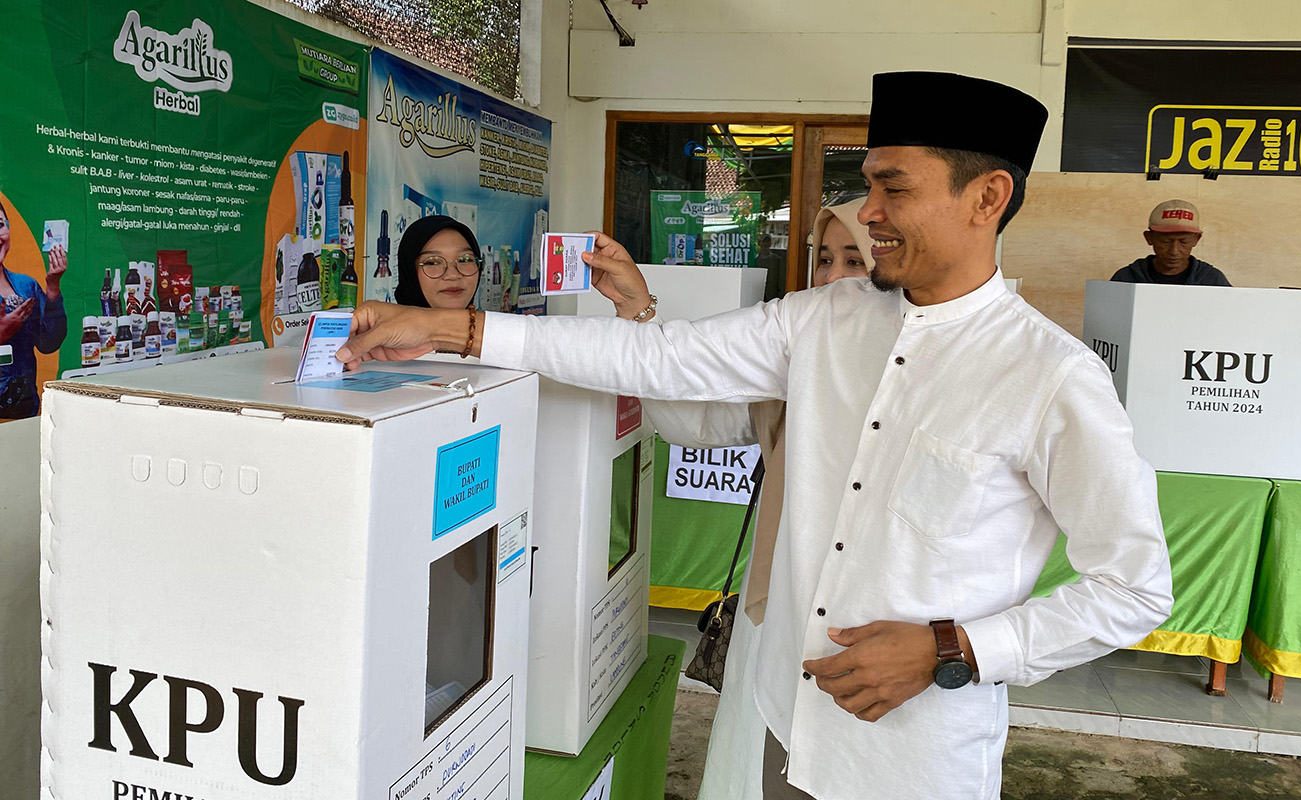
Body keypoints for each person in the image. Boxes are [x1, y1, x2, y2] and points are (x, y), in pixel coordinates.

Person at [337, 71, 1173, 800]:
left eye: (894, 190)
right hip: (784, 719)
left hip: (910, 758)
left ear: (986, 197)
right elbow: (663, 361)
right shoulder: (824, 319)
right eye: (867, 186)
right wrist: (452, 332)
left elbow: (1134, 588)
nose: (869, 212)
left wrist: (953, 648)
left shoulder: (1049, 376)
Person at [638, 198, 876, 800]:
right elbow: (698, 424)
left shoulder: (919, 377)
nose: (832, 277)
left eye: (855, 259)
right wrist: (638, 317)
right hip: (778, 607)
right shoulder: (789, 365)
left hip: (873, 627)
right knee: (760, 763)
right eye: (824, 260)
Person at [0, 199, 67, 419]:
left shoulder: (25, 285)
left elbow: (48, 343)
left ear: (8, 228)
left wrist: (52, 287)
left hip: (25, 411)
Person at [1110, 200, 1230, 285]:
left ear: (1196, 239)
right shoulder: (1125, 279)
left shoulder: (1212, 280)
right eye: (1165, 241)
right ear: (1149, 238)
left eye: (1183, 241)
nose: (1174, 251)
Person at [393, 215, 482, 311]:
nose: (453, 275)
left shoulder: (492, 325)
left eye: (465, 260)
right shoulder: (386, 326)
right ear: (410, 274)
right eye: (433, 263)